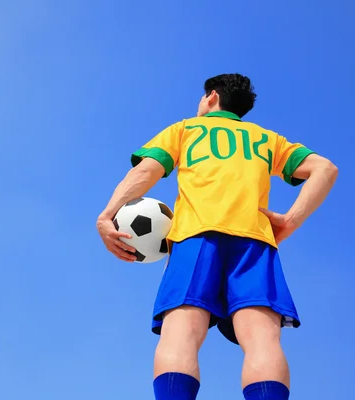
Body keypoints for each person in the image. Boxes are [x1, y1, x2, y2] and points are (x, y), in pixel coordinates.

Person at [96, 73, 338, 400]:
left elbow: (145, 171)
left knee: (180, 334)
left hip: (195, 237)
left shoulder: (185, 129)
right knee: (261, 340)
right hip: (254, 241)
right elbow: (325, 168)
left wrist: (107, 213)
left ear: (211, 97)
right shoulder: (266, 138)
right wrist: (291, 220)